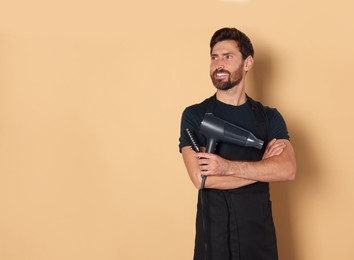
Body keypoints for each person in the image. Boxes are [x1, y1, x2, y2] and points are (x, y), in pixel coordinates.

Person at [179, 27, 296, 260]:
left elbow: (287, 169)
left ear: (248, 63)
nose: (218, 64)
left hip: (258, 239)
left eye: (228, 56)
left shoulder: (269, 117)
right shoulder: (195, 115)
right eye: (214, 57)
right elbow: (201, 179)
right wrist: (263, 167)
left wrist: (226, 167)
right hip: (213, 239)